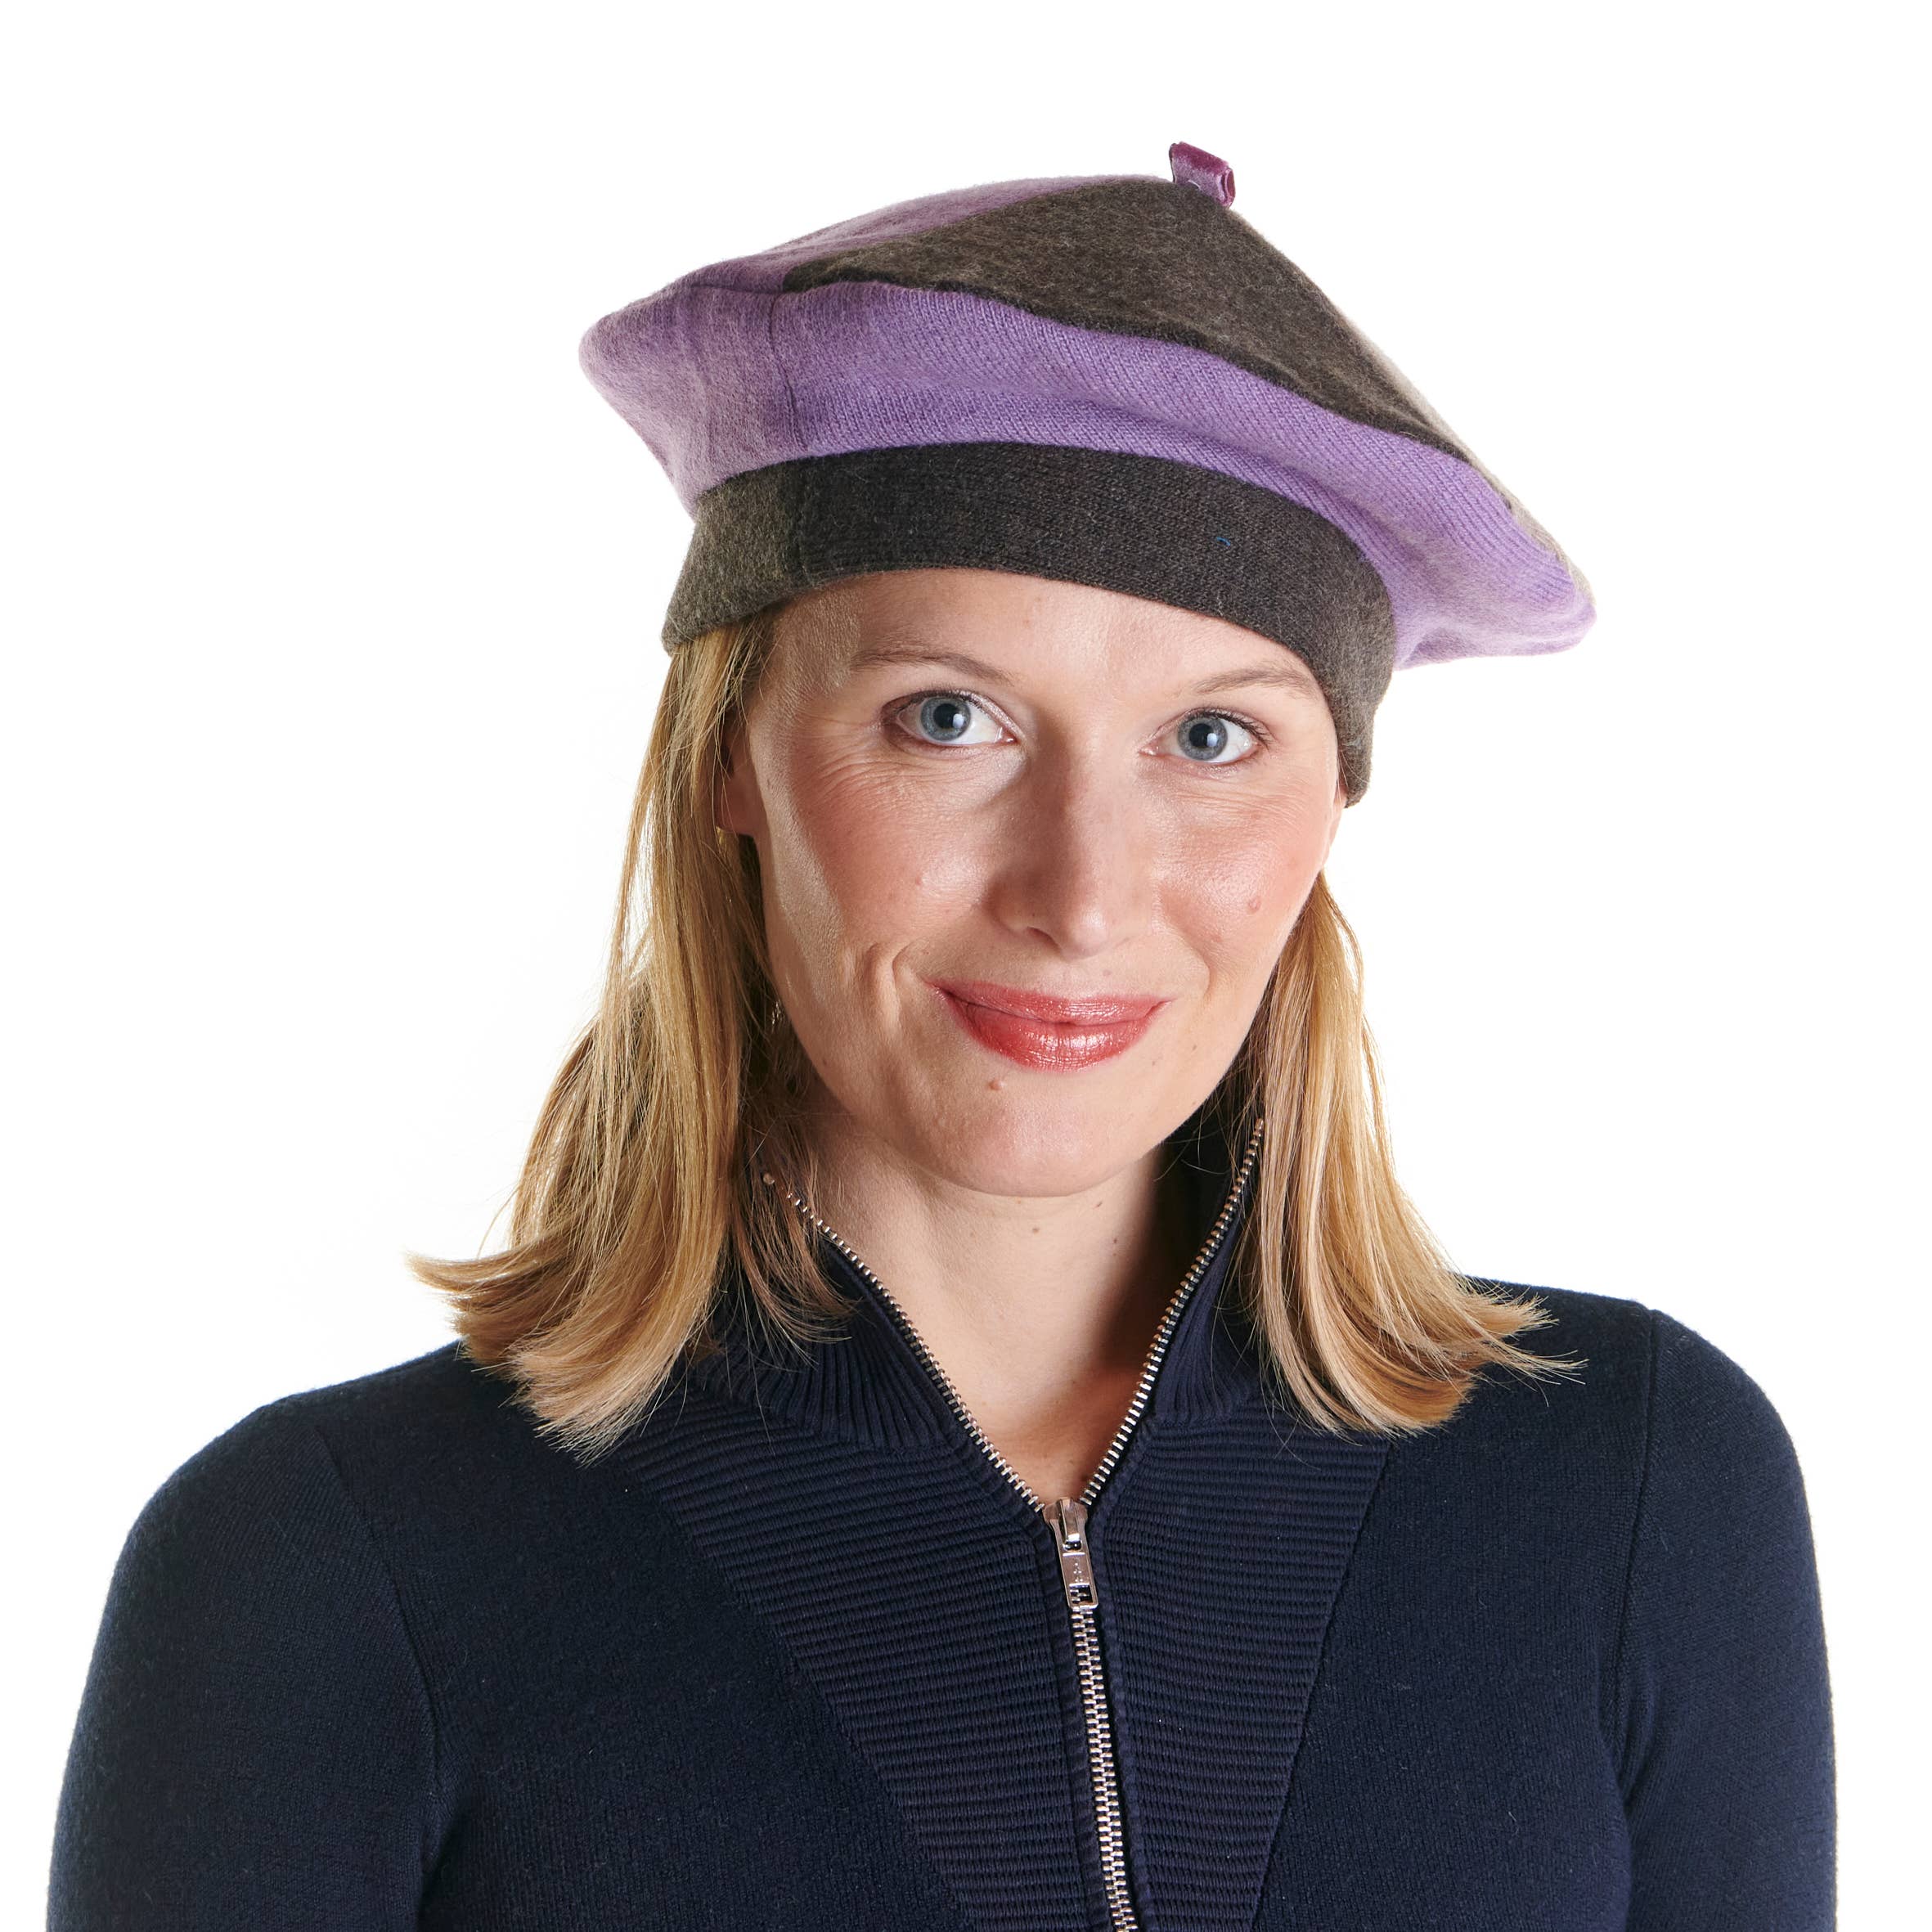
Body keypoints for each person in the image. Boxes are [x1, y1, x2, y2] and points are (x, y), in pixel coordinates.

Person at [46, 141, 1835, 1930]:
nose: (1080, 894)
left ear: (1327, 808)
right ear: (733, 758)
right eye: (949, 717)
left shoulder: (1636, 1486)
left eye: (1210, 738)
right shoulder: (322, 1571)